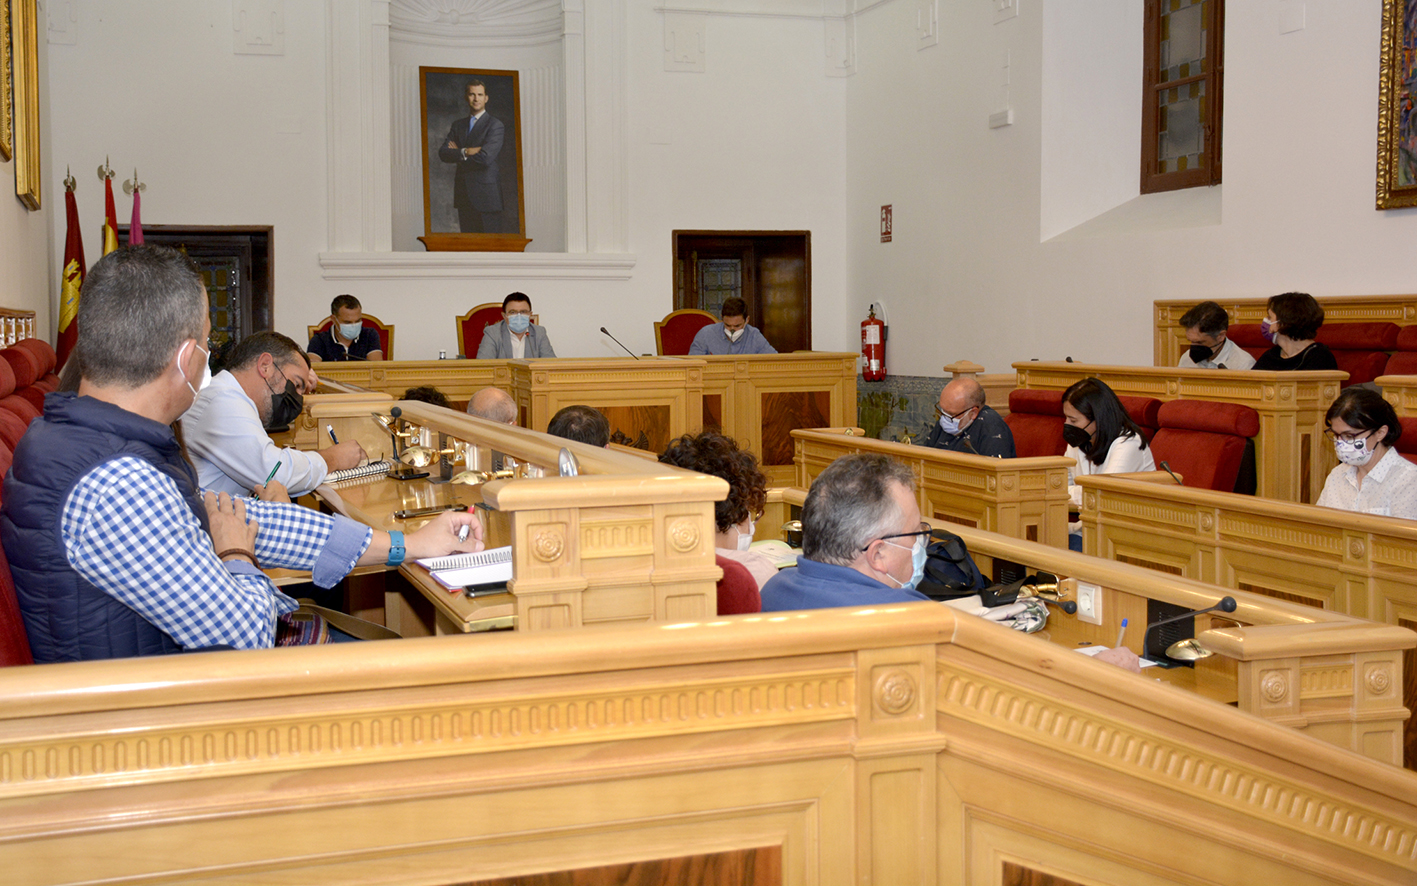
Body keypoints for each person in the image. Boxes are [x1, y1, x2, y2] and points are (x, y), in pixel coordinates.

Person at [0, 245, 483, 663]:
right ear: (188, 357)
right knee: (417, 664)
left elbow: (255, 519)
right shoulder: (120, 482)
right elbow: (244, 640)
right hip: (165, 726)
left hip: (160, 679)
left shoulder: (75, 436)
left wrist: (408, 544)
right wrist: (236, 552)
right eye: (208, 343)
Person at [183, 331, 367, 498]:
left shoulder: (230, 396)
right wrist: (333, 458)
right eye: (295, 384)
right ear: (265, 366)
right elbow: (274, 474)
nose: (295, 398)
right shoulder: (221, 399)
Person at [760, 454, 933, 611]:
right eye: (915, 534)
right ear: (878, 554)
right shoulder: (910, 614)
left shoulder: (773, 588)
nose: (921, 543)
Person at [659, 431, 777, 592]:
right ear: (734, 513)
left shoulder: (659, 559)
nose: (751, 525)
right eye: (751, 514)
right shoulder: (755, 570)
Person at [1062, 378, 1155, 551]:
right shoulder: (1079, 439)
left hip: (1127, 536)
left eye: (1073, 420)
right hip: (1091, 528)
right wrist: (1064, 493)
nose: (1067, 425)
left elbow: (1100, 495)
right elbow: (1059, 484)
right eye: (1066, 418)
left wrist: (1062, 494)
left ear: (1098, 419)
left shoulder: (1129, 443)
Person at [1316, 388, 1417, 519]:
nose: (1340, 443)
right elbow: (1319, 530)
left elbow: (1405, 538)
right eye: (1336, 435)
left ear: (1380, 433)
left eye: (1349, 436)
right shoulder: (1337, 475)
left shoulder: (1408, 480)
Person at [437, 79, 505, 234]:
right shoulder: (458, 125)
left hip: (487, 198)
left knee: (489, 250)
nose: (476, 98)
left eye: (480, 94)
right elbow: (443, 153)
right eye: (472, 94)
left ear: (486, 98)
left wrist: (458, 154)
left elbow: (485, 158)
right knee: (468, 250)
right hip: (464, 195)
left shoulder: (495, 125)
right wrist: (466, 151)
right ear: (465, 97)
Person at [917, 376, 1015, 458]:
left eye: (951, 414)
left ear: (973, 413)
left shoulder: (991, 426)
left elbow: (995, 472)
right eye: (942, 411)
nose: (945, 418)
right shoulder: (945, 420)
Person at [1252, 292, 1338, 371]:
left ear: (1283, 322)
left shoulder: (1320, 357)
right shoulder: (1271, 356)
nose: (1266, 321)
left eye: (1270, 317)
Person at [1177, 301, 1255, 370]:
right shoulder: (1187, 359)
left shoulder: (1243, 365)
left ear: (1221, 336)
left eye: (1200, 342)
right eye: (1191, 341)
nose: (1193, 347)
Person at [476, 293, 556, 359]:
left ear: (530, 315)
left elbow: (550, 364)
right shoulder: (492, 333)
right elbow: (483, 365)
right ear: (504, 316)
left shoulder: (539, 333)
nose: (518, 316)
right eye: (513, 312)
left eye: (523, 312)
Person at [307, 294, 384, 362]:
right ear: (334, 319)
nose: (354, 325)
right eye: (347, 322)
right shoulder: (320, 340)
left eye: (357, 321)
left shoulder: (369, 335)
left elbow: (376, 366)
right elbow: (314, 369)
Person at [688, 297, 777, 356]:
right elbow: (692, 364)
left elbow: (774, 360)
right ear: (722, 318)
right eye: (728, 325)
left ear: (747, 320)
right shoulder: (705, 334)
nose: (732, 330)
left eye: (737, 326)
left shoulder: (754, 335)